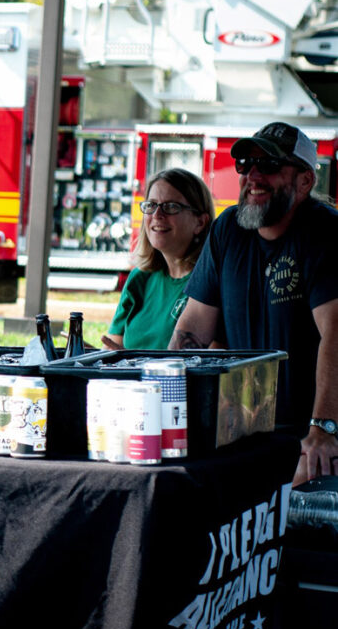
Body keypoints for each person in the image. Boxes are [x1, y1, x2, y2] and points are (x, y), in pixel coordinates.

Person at [169, 122, 338, 485]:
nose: (253, 176)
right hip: (242, 432)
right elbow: (192, 328)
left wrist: (325, 429)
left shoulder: (325, 232)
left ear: (305, 182)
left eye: (270, 166)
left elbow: (336, 333)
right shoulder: (227, 228)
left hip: (309, 438)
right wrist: (168, 410)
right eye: (246, 163)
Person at [102, 168, 213, 350]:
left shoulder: (211, 282)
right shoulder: (140, 278)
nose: (157, 215)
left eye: (170, 207)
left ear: (200, 222)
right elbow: (111, 351)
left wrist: (133, 364)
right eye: (151, 205)